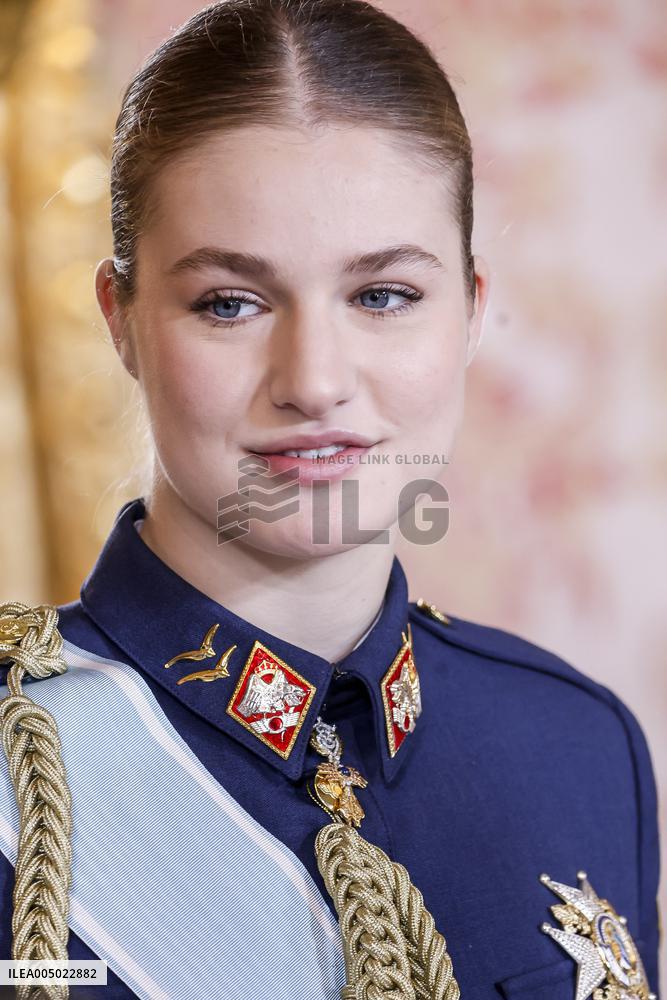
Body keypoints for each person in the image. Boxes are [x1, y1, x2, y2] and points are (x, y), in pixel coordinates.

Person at [0, 1, 660, 998]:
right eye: (230, 301)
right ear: (122, 319)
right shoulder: (18, 777)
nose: (312, 379)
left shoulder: (574, 744)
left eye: (382, 294)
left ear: (472, 311)